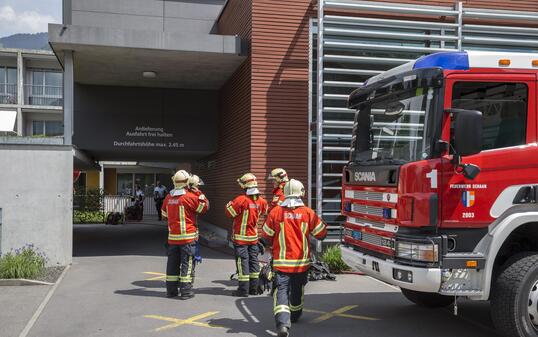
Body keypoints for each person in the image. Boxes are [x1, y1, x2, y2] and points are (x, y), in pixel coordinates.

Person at [262, 178, 327, 337]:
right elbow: (321, 234)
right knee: (298, 289)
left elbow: (266, 237)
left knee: (281, 291)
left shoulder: (276, 212)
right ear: (301, 193)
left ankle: (283, 324)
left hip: (282, 264)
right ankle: (296, 315)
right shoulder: (307, 212)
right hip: (301, 264)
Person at [161, 170, 209, 300]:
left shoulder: (168, 197)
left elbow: (164, 215)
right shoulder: (190, 197)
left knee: (172, 264)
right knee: (186, 265)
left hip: (172, 239)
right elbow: (203, 208)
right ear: (187, 182)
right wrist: (198, 192)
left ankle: (171, 291)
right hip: (187, 238)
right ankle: (186, 291)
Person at [225, 173, 268, 297]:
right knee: (254, 262)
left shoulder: (241, 200)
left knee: (242, 262)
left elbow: (230, 213)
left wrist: (228, 205)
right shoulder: (262, 201)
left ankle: (243, 290)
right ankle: (254, 289)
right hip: (253, 238)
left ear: (245, 186)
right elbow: (265, 213)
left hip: (240, 239)